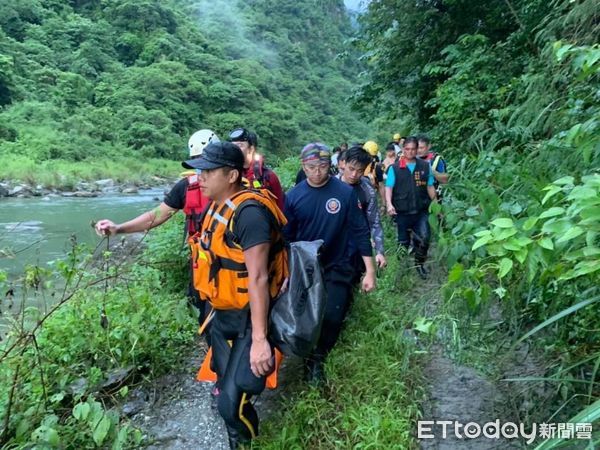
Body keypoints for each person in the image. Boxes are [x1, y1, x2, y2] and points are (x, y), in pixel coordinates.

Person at [186, 141, 288, 448]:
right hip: (224, 311)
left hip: (251, 316)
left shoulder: (249, 214)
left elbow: (257, 277)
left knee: (231, 405)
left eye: (207, 171)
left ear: (231, 175)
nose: (198, 178)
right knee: (225, 391)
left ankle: (249, 443)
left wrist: (260, 340)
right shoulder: (217, 206)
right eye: (198, 171)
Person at [94, 129, 219, 322]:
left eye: (207, 162)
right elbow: (156, 216)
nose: (202, 169)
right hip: (201, 263)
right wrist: (118, 228)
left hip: (232, 264)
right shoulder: (186, 187)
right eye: (198, 162)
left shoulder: (237, 187)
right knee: (204, 318)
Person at [284, 142, 376, 383]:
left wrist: (370, 271)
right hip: (306, 268)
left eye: (322, 166)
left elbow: (359, 231)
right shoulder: (293, 197)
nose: (317, 171)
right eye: (311, 166)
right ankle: (305, 353)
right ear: (303, 167)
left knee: (333, 316)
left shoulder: (345, 193)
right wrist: (284, 272)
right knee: (306, 316)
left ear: (332, 165)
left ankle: (318, 358)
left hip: (339, 263)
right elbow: (286, 239)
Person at [385, 136, 437, 279]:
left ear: (417, 149)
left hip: (421, 210)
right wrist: (389, 204)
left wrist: (437, 205)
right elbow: (389, 188)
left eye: (413, 149)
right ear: (403, 150)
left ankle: (419, 264)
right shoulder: (395, 168)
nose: (410, 152)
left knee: (425, 238)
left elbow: (430, 186)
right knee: (403, 242)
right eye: (407, 149)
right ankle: (399, 270)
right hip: (402, 211)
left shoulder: (425, 166)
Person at [338, 145, 387, 274]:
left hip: (358, 245)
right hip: (334, 245)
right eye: (351, 169)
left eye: (359, 171)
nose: (354, 175)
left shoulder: (367, 190)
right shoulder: (331, 186)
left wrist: (379, 251)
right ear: (344, 164)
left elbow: (374, 221)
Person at [227, 128, 285, 210]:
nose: (235, 149)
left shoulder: (268, 177)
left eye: (240, 145)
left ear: (251, 149)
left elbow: (280, 209)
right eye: (233, 146)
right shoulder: (229, 175)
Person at [363, 140, 386, 205]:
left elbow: (381, 186)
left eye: (371, 156)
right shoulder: (357, 165)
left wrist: (383, 204)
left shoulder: (377, 167)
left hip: (371, 198)